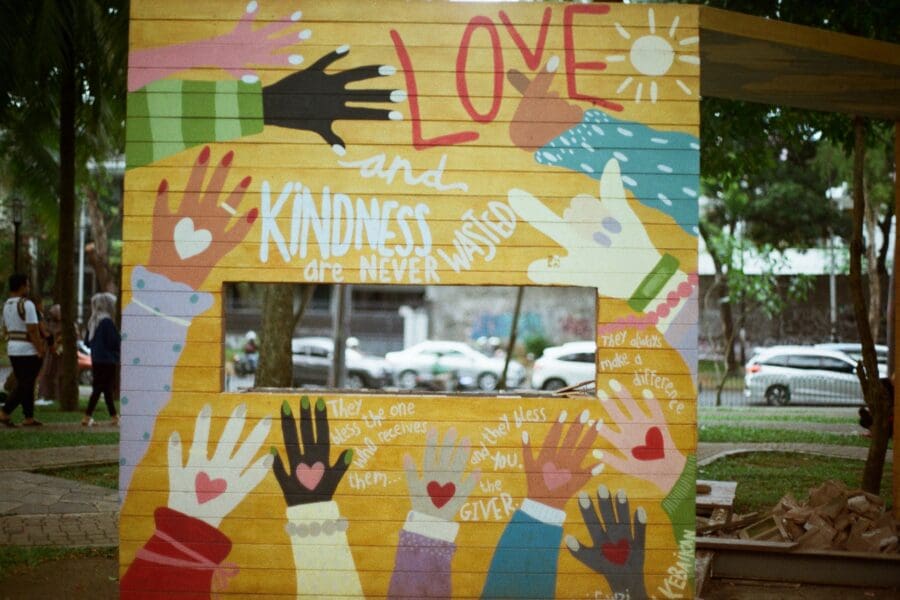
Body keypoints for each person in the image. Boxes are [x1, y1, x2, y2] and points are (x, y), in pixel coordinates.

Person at [0, 274, 45, 427]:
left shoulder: (7, 305)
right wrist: (40, 349)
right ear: (21, 286)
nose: (29, 288)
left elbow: (5, 329)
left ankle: (28, 417)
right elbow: (33, 330)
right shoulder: (27, 305)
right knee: (26, 383)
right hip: (28, 350)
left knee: (25, 382)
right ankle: (5, 412)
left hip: (13, 348)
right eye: (27, 285)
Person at [82, 292, 121, 427]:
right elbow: (114, 342)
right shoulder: (107, 322)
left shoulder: (93, 321)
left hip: (96, 359)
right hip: (108, 360)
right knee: (101, 387)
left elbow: (87, 341)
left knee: (104, 388)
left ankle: (114, 416)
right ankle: (88, 416)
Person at [36, 303, 61, 406]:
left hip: (59, 354)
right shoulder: (50, 324)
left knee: (57, 374)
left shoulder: (65, 324)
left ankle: (57, 395)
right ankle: (45, 395)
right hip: (50, 352)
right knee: (46, 373)